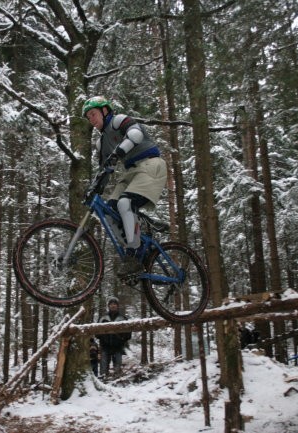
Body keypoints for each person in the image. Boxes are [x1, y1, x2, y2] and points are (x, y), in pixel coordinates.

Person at [82, 96, 168, 276]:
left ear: (105, 111)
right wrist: (94, 188)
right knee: (109, 212)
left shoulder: (118, 121)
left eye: (93, 114)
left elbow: (135, 134)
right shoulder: (101, 142)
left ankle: (134, 252)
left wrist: (117, 152)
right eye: (88, 117)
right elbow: (104, 170)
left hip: (150, 164)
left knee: (125, 203)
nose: (91, 119)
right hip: (131, 172)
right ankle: (137, 245)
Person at [96, 297, 131, 376]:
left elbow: (128, 334)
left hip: (118, 348)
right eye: (111, 304)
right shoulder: (103, 318)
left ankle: (117, 383)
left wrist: (122, 339)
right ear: (108, 306)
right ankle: (103, 382)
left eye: (115, 304)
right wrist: (103, 337)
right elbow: (96, 333)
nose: (113, 306)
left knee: (117, 369)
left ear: (117, 306)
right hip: (105, 347)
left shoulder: (123, 318)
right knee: (103, 370)